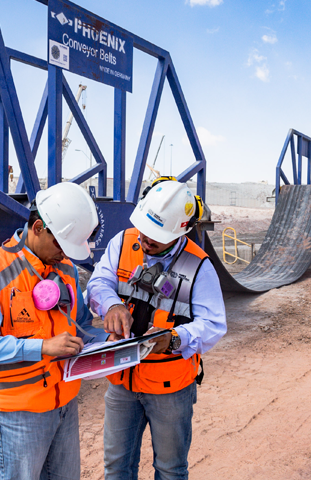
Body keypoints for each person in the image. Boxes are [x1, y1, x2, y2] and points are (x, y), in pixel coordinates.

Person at [0, 182, 125, 480]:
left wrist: (110, 343)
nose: (64, 255)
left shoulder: (66, 271)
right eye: (61, 245)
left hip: (63, 405)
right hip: (15, 413)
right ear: (38, 227)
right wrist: (43, 347)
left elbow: (81, 328)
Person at [86, 177, 227, 480]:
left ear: (181, 231)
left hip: (170, 388)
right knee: (116, 468)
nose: (146, 240)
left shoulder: (198, 267)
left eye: (156, 236)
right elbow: (98, 283)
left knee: (170, 470)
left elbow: (213, 324)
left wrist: (173, 339)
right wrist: (111, 304)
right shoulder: (123, 242)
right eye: (145, 231)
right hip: (122, 381)